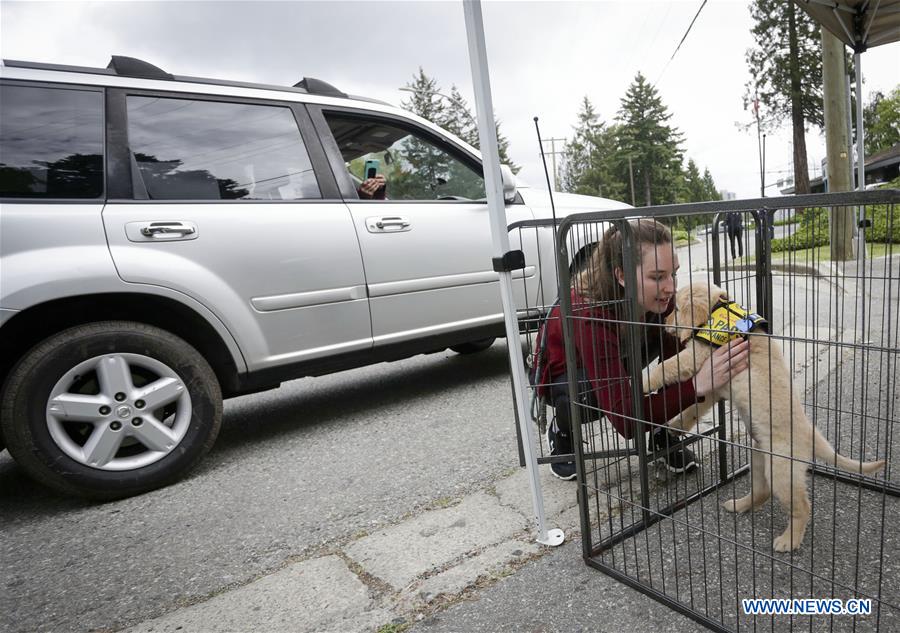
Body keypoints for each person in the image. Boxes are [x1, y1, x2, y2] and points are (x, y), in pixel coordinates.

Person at [536, 219, 750, 480]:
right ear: (621, 275)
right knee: (586, 394)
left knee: (678, 341)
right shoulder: (589, 313)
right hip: (570, 377)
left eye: (673, 273)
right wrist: (697, 386)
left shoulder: (662, 297)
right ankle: (563, 431)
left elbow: (681, 361)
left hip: (624, 356)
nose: (671, 287)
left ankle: (664, 434)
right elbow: (626, 423)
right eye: (658, 277)